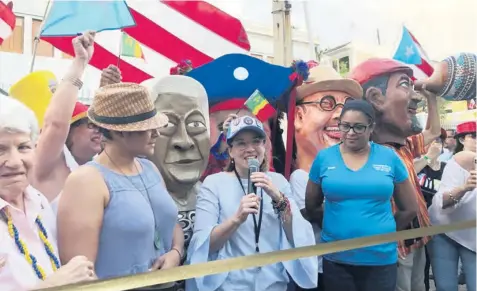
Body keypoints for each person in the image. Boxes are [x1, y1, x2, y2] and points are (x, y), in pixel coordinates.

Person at [56, 83, 184, 289]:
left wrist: (176, 253)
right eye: (146, 128)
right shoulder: (87, 181)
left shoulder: (149, 168)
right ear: (118, 132)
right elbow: (79, 274)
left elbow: (169, 223)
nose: (156, 134)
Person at [187, 116, 318, 291]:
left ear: (264, 146)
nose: (250, 149)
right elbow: (204, 245)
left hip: (274, 283)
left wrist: (278, 198)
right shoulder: (214, 184)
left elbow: (298, 235)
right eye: (241, 143)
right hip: (231, 284)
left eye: (256, 141)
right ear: (231, 150)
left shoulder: (278, 182)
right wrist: (236, 219)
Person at [305, 100, 417, 291]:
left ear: (371, 127)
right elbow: (312, 206)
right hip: (337, 258)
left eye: (358, 127)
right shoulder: (324, 158)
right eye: (345, 126)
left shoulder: (389, 157)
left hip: (380, 260)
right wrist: (337, 227)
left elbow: (409, 209)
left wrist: (383, 234)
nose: (350, 132)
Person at [349, 59, 441, 291]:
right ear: (375, 99)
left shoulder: (404, 146)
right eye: (404, 85)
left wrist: (431, 97)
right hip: (395, 246)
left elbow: (433, 132)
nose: (415, 96)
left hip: (418, 237)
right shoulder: (368, 154)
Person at [0, 96, 95, 291]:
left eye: (23, 147)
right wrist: (53, 285)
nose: (15, 161)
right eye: (0, 150)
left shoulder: (37, 200)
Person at [9, 32, 102, 212]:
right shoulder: (46, 162)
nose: (99, 131)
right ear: (68, 131)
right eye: (89, 125)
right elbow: (55, 124)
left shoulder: (95, 166)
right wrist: (80, 63)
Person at [290, 65, 363, 291]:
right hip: (318, 270)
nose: (342, 116)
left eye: (348, 106)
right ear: (299, 116)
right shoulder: (299, 178)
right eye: (327, 103)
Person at [428, 121, 476, 291]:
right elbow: (444, 201)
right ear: (462, 140)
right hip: (444, 230)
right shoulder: (455, 162)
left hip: (472, 235)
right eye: (474, 136)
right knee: (446, 286)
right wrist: (464, 188)